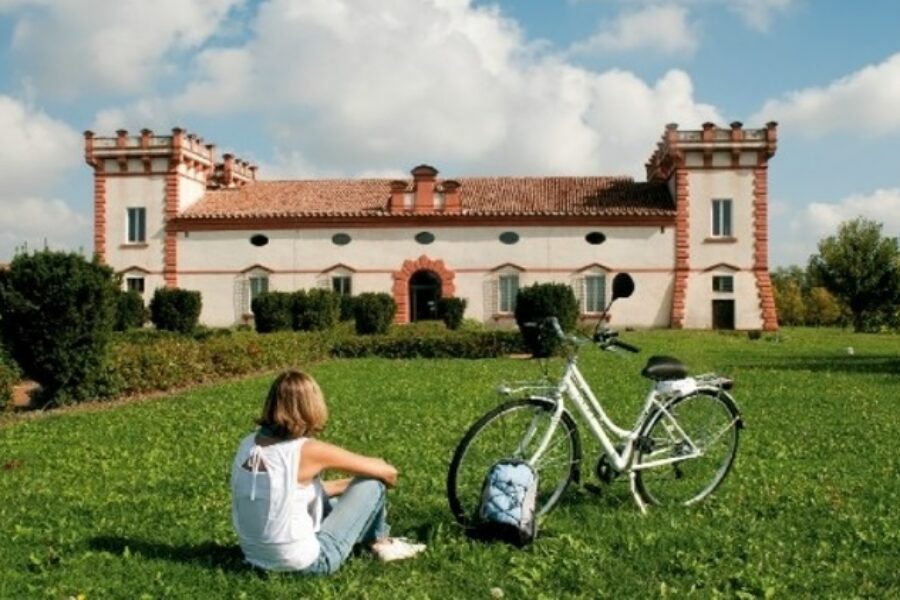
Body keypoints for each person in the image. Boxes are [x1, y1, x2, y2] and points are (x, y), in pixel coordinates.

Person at [230, 369, 426, 574]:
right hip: (311, 563)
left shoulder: (248, 445)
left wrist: (350, 488)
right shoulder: (307, 450)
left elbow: (292, 491)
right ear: (312, 405)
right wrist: (364, 483)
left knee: (336, 498)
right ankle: (382, 544)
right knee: (373, 483)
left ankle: (375, 541)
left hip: (254, 557)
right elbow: (388, 473)